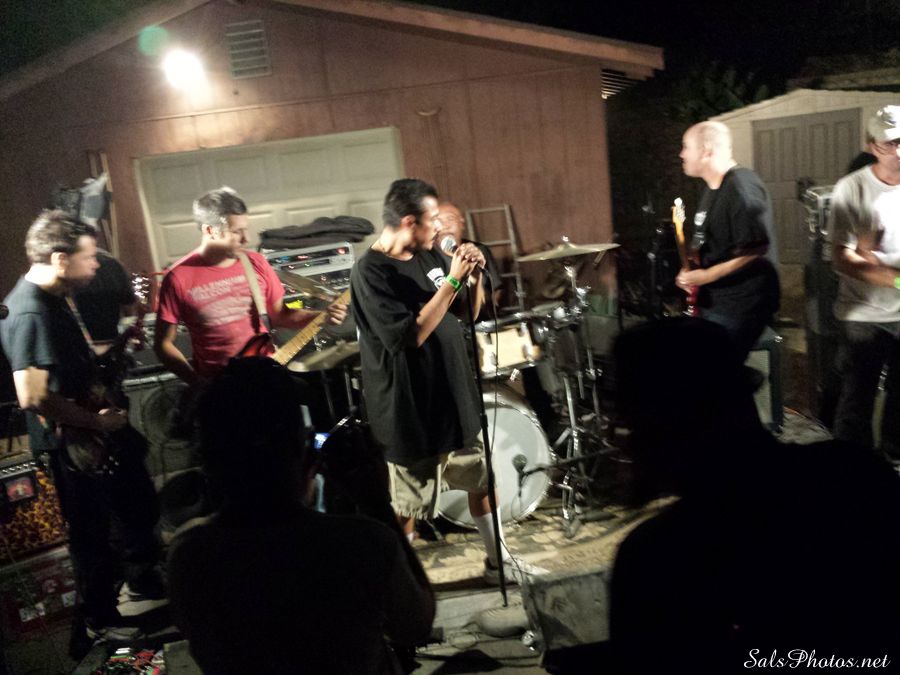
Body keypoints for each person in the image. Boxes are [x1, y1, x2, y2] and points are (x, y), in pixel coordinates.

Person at [602, 318, 900, 672]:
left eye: (628, 420)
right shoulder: (856, 474)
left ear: (667, 423)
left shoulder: (658, 557)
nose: (619, 437)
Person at [167, 357, 435, 674]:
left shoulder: (190, 554)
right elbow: (416, 626)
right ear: (302, 452)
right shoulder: (364, 543)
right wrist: (377, 505)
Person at [350, 178, 544, 584]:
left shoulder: (429, 256)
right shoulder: (371, 272)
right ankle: (401, 586)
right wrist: (454, 280)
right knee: (409, 504)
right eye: (432, 219)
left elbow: (466, 314)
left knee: (482, 479)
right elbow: (409, 336)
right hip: (410, 408)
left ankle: (498, 564)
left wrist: (471, 279)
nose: (439, 227)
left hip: (454, 395)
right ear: (409, 221)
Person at [0, 211, 161, 643]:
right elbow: (32, 395)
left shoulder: (55, 298)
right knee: (91, 533)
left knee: (130, 508)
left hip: (90, 435)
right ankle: (100, 621)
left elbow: (68, 367)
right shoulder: (31, 310)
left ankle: (128, 593)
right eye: (89, 257)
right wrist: (95, 421)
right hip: (73, 442)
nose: (95, 265)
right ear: (60, 258)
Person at [153, 186, 347, 388]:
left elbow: (280, 315)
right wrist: (196, 382)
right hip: (220, 388)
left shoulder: (255, 263)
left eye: (245, 229)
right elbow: (163, 344)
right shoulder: (178, 278)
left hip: (265, 377)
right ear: (210, 230)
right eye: (236, 232)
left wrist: (322, 317)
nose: (246, 239)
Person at [830, 105, 900, 462]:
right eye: (891, 143)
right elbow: (841, 257)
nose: (899, 151)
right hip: (863, 315)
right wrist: (891, 277)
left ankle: (893, 463)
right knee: (857, 398)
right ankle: (849, 470)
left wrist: (873, 257)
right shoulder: (852, 188)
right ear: (872, 145)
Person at [676, 121, 780, 359]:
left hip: (740, 306)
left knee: (718, 374)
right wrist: (691, 269)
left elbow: (756, 249)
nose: (681, 154)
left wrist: (706, 276)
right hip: (717, 302)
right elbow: (716, 242)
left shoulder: (741, 187)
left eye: (686, 147)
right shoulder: (713, 188)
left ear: (706, 151)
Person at [436, 201, 503, 314]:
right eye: (439, 221)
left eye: (450, 219)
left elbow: (496, 289)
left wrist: (490, 307)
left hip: (482, 318)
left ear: (462, 223)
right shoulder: (426, 257)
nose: (445, 226)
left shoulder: (479, 251)